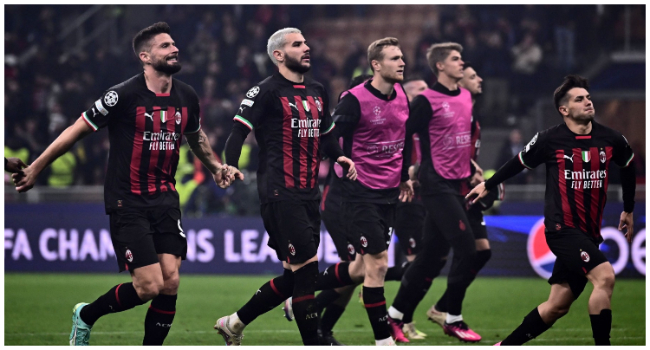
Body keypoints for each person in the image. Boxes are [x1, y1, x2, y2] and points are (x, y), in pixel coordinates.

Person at [12, 22, 233, 346]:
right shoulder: (123, 95)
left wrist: (214, 166)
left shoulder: (187, 95)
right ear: (145, 56)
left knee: (170, 281)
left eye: (174, 44)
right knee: (148, 287)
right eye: (164, 46)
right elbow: (77, 128)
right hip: (127, 200)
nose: (174, 49)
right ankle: (86, 315)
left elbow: (194, 134)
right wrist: (36, 167)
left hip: (165, 199)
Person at [467, 75, 636, 346]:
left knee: (557, 306)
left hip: (589, 233)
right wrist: (489, 184)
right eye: (579, 99)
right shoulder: (550, 139)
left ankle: (505, 345)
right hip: (562, 229)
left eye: (588, 97)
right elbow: (518, 162)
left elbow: (628, 165)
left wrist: (628, 209)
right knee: (605, 277)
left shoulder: (611, 138)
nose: (587, 101)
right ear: (564, 110)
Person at [215, 27, 357, 346]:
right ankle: (314, 343)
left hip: (309, 193)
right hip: (280, 192)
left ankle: (234, 323)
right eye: (297, 44)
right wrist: (231, 163)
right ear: (278, 55)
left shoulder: (318, 89)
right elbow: (237, 133)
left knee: (294, 277)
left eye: (306, 42)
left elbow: (327, 135)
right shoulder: (265, 91)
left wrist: (341, 158)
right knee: (306, 273)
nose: (307, 47)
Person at [386, 42, 482, 343]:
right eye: (455, 59)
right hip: (435, 183)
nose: (461, 62)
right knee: (469, 249)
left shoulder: (466, 97)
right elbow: (402, 137)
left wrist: (473, 167)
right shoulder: (426, 101)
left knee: (429, 258)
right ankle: (453, 317)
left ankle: (394, 316)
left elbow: (460, 139)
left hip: (458, 183)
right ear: (440, 66)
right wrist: (404, 176)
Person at [326, 37, 413, 346]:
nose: (402, 62)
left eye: (402, 57)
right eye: (394, 58)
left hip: (389, 193)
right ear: (376, 65)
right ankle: (383, 341)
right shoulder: (354, 99)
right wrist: (341, 159)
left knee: (362, 268)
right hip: (358, 192)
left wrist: (404, 177)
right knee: (377, 265)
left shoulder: (402, 95)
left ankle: (300, 290)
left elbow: (401, 141)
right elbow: (329, 138)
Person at [424, 62, 503, 329]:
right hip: (449, 190)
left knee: (481, 252)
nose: (479, 79)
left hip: (467, 191)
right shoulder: (450, 110)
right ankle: (412, 314)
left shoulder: (470, 112)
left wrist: (474, 171)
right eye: (472, 76)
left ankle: (440, 308)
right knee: (446, 255)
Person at [391, 77, 429, 340]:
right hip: (404, 200)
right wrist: (413, 172)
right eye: (422, 90)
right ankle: (403, 319)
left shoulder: (425, 127)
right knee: (419, 263)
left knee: (424, 264)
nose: (429, 95)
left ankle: (404, 319)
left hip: (423, 199)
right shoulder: (402, 124)